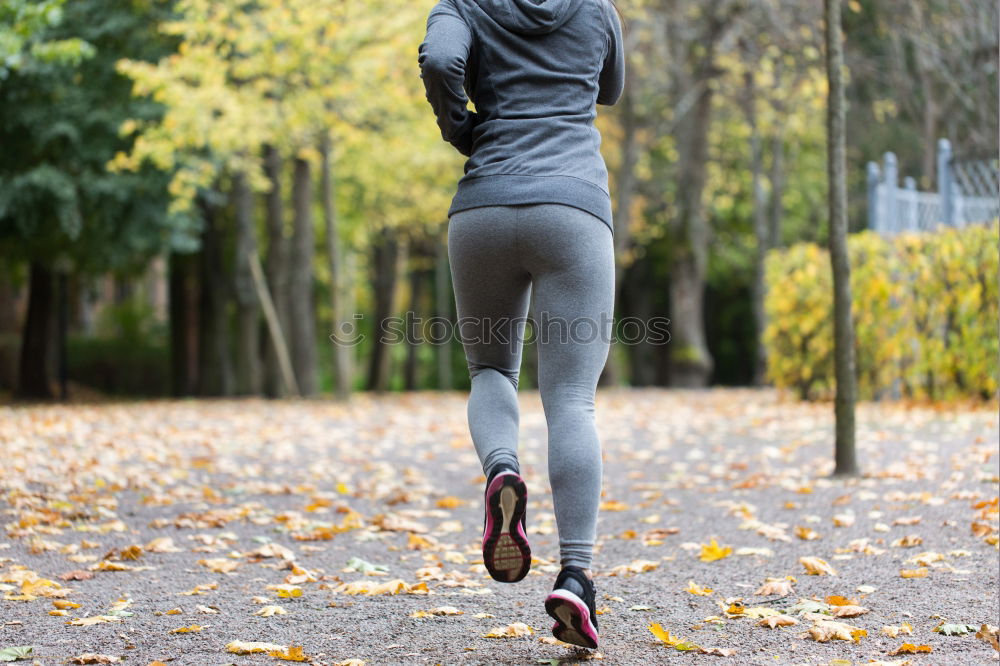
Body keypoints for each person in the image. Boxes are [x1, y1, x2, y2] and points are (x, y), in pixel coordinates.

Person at [418, 0, 624, 650]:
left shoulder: (463, 4)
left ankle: (503, 472)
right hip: (574, 209)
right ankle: (575, 577)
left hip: (482, 209)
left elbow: (441, 58)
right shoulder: (597, 8)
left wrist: (464, 129)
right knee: (570, 399)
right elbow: (611, 88)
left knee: (490, 371)